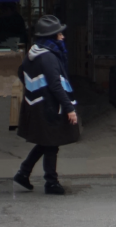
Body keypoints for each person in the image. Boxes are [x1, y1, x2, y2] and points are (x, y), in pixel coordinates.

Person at [12, 15, 79, 195]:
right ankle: (51, 182)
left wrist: (35, 89)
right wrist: (69, 108)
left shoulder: (34, 51)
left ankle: (24, 173)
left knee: (47, 142)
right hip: (49, 106)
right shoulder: (48, 56)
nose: (62, 37)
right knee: (51, 142)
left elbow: (21, 72)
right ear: (51, 36)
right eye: (59, 34)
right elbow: (56, 85)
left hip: (37, 104)